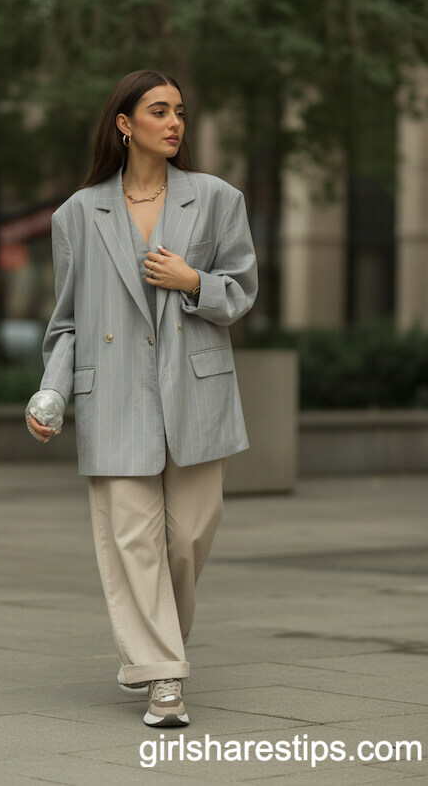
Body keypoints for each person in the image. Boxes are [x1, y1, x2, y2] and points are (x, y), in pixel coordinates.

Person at [25, 70, 258, 727]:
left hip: (196, 394)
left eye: (180, 111)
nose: (174, 122)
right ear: (124, 124)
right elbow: (67, 321)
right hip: (114, 396)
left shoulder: (216, 199)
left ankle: (160, 648)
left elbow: (240, 291)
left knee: (186, 541)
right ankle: (162, 677)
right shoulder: (77, 213)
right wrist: (51, 391)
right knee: (134, 543)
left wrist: (193, 281)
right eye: (159, 111)